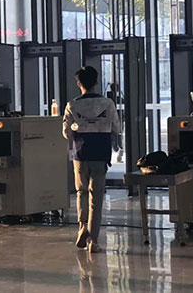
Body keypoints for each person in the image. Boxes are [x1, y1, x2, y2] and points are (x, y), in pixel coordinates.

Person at [63, 66, 120, 253]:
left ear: (79, 83)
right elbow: (116, 128)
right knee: (96, 197)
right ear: (96, 82)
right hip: (100, 153)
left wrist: (78, 131)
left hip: (81, 153)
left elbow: (66, 132)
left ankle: (82, 227)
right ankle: (93, 241)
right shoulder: (108, 103)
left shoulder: (72, 105)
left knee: (81, 192)